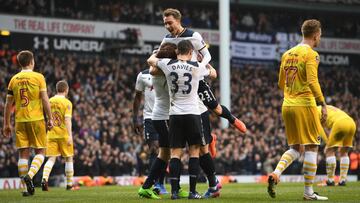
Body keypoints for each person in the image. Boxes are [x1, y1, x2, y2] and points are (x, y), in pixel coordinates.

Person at [267, 19, 328, 200]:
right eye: (320, 36)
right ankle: (308, 192)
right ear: (316, 35)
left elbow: (280, 83)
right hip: (304, 104)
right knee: (312, 147)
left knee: (295, 147)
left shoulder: (287, 53)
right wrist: (323, 103)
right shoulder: (311, 54)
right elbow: (312, 81)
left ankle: (276, 173)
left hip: (288, 105)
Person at [148, 40, 217, 199]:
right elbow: (213, 74)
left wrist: (158, 51)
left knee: (175, 154)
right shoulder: (196, 66)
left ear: (177, 51)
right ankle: (193, 192)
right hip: (193, 114)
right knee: (194, 152)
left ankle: (174, 192)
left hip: (174, 115)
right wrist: (204, 61)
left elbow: (151, 61)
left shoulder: (167, 64)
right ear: (191, 51)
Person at [161, 8, 246, 133]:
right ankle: (209, 139)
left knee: (215, 108)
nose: (167, 26)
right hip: (177, 84)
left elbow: (207, 55)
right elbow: (159, 55)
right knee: (194, 114)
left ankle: (232, 119)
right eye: (165, 23)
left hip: (195, 79)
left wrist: (201, 67)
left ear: (178, 21)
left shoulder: (193, 35)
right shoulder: (166, 39)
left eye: (170, 22)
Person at [138, 43, 189, 199]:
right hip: (166, 116)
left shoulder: (156, 70)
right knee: (175, 153)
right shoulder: (169, 70)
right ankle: (174, 188)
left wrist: (156, 53)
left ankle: (147, 187)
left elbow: (151, 61)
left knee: (164, 154)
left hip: (158, 115)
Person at [3, 50, 53, 196]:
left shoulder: (14, 79)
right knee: (40, 152)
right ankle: (30, 176)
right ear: (32, 62)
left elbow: (8, 104)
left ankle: (25, 189)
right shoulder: (38, 77)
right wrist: (50, 118)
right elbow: (44, 99)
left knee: (23, 155)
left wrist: (6, 123)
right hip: (36, 119)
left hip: (19, 120)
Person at [133, 67, 167, 192]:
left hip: (166, 116)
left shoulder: (168, 72)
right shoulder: (142, 75)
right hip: (149, 117)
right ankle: (155, 183)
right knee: (154, 149)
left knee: (165, 151)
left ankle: (161, 182)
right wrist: (135, 119)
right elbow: (137, 97)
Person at [41, 80, 76, 191]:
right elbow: (67, 120)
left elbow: (45, 117)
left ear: (57, 89)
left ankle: (44, 179)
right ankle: (69, 185)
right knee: (68, 158)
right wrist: (70, 135)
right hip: (63, 134)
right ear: (66, 90)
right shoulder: (67, 103)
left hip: (51, 134)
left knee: (51, 159)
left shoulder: (49, 101)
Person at [316, 105, 356, 186]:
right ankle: (342, 180)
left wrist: (327, 143)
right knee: (344, 152)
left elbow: (319, 129)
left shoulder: (313, 113)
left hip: (340, 123)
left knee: (329, 151)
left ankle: (330, 181)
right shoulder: (323, 107)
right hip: (351, 123)